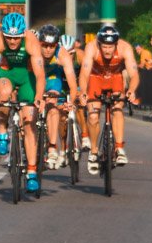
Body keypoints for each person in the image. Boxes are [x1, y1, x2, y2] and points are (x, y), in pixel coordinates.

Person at [0, 12, 46, 193]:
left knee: (29, 122)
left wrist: (39, 97)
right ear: (4, 34)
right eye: (9, 38)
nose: (12, 42)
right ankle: (3, 130)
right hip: (7, 74)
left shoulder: (32, 41)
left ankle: (32, 173)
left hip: (27, 77)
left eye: (16, 38)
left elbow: (40, 75)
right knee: (3, 94)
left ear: (23, 34)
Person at [78, 24, 139, 173]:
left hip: (115, 78)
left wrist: (131, 90)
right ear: (99, 43)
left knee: (117, 110)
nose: (107, 50)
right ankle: (93, 151)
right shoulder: (91, 48)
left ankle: (119, 148)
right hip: (96, 78)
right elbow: (84, 73)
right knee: (93, 116)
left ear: (116, 44)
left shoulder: (125, 48)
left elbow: (134, 74)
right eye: (104, 46)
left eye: (111, 47)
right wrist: (83, 92)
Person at [36, 24, 78, 169]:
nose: (48, 50)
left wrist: (71, 102)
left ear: (56, 45)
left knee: (53, 102)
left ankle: (52, 147)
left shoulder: (62, 55)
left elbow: (73, 85)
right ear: (39, 43)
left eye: (52, 46)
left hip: (53, 80)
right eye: (45, 45)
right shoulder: (33, 51)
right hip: (35, 78)